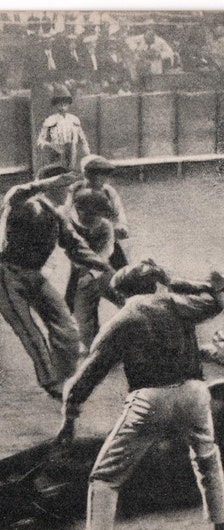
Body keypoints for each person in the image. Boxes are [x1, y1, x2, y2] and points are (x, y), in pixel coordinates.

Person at [57, 260, 224, 530]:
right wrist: (174, 280)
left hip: (150, 399)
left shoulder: (122, 318)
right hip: (195, 392)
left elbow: (86, 377)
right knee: (207, 460)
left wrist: (69, 421)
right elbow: (215, 298)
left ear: (120, 292)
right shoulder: (178, 302)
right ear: (153, 284)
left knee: (104, 477)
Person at [0, 164, 113, 400]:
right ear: (52, 187)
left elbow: (76, 247)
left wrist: (104, 266)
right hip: (6, 276)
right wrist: (47, 182)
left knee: (67, 327)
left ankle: (67, 377)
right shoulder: (25, 204)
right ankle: (51, 383)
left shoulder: (57, 216)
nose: (68, 194)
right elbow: (14, 195)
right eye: (64, 188)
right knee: (30, 332)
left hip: (34, 276)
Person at [64, 154, 129, 311]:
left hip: (105, 236)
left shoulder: (108, 191)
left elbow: (119, 212)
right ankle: (70, 312)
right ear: (86, 173)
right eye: (96, 173)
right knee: (78, 278)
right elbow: (65, 211)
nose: (100, 178)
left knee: (124, 275)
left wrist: (121, 226)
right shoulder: (75, 189)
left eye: (104, 174)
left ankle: (129, 305)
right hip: (81, 240)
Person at [67, 188, 124, 351]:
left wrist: (92, 273)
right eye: (91, 214)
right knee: (86, 330)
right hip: (76, 279)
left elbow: (105, 254)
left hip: (100, 271)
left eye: (100, 214)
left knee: (127, 296)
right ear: (78, 210)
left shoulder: (105, 226)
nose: (97, 219)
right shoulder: (65, 226)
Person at [37, 84, 91, 171]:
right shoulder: (50, 120)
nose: (62, 105)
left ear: (68, 104)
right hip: (56, 155)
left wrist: (87, 154)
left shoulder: (74, 120)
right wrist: (51, 147)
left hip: (72, 154)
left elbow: (83, 140)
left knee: (71, 172)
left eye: (65, 102)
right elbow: (40, 141)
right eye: (59, 102)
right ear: (56, 104)